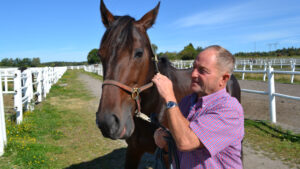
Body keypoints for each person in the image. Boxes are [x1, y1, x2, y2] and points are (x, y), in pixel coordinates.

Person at [152, 45, 244, 169]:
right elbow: (179, 133)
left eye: (202, 70)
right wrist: (165, 137)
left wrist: (169, 96)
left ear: (223, 78)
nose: (193, 74)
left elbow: (186, 141)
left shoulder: (230, 110)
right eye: (194, 67)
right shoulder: (187, 101)